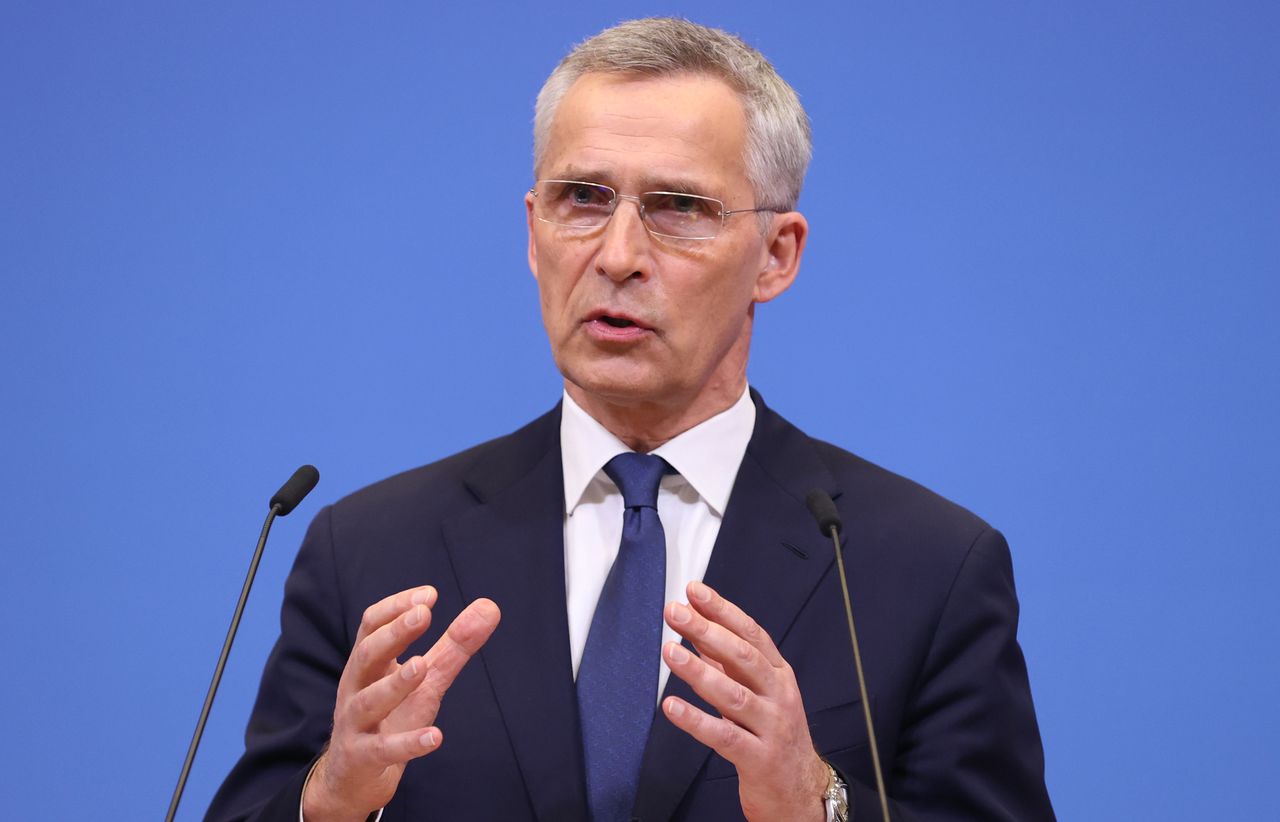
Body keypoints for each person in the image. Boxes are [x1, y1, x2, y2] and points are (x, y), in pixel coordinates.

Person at [207, 18, 1054, 822]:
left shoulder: (927, 568)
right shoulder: (367, 552)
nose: (616, 256)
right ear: (533, 233)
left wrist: (817, 803)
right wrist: (331, 801)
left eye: (679, 207)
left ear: (777, 255)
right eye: (583, 197)